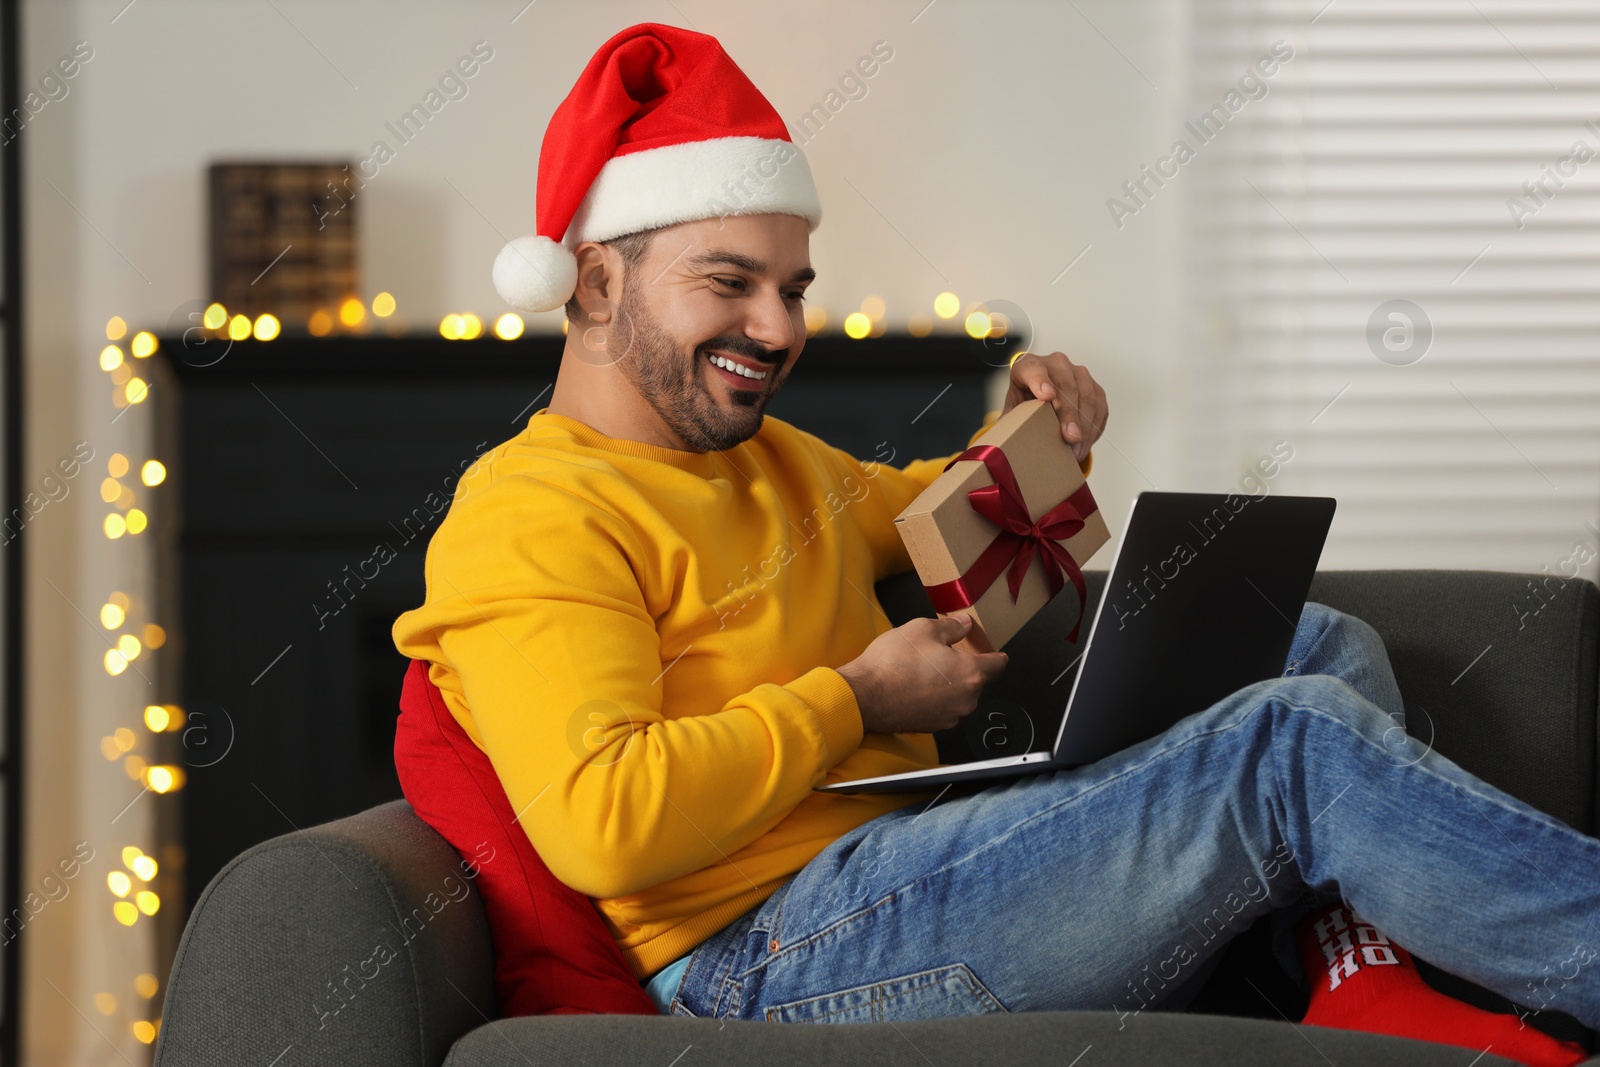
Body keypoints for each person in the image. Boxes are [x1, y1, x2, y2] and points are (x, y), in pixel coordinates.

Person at [391, 22, 1596, 1065]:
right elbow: (601, 817)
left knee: (1305, 642)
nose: (776, 326)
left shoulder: (769, 459)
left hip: (903, 867)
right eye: (729, 283)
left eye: (794, 286)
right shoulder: (533, 511)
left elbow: (944, 502)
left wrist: (1040, 424)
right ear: (596, 284)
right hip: (759, 959)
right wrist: (853, 695)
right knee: (1290, 743)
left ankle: (1353, 975)